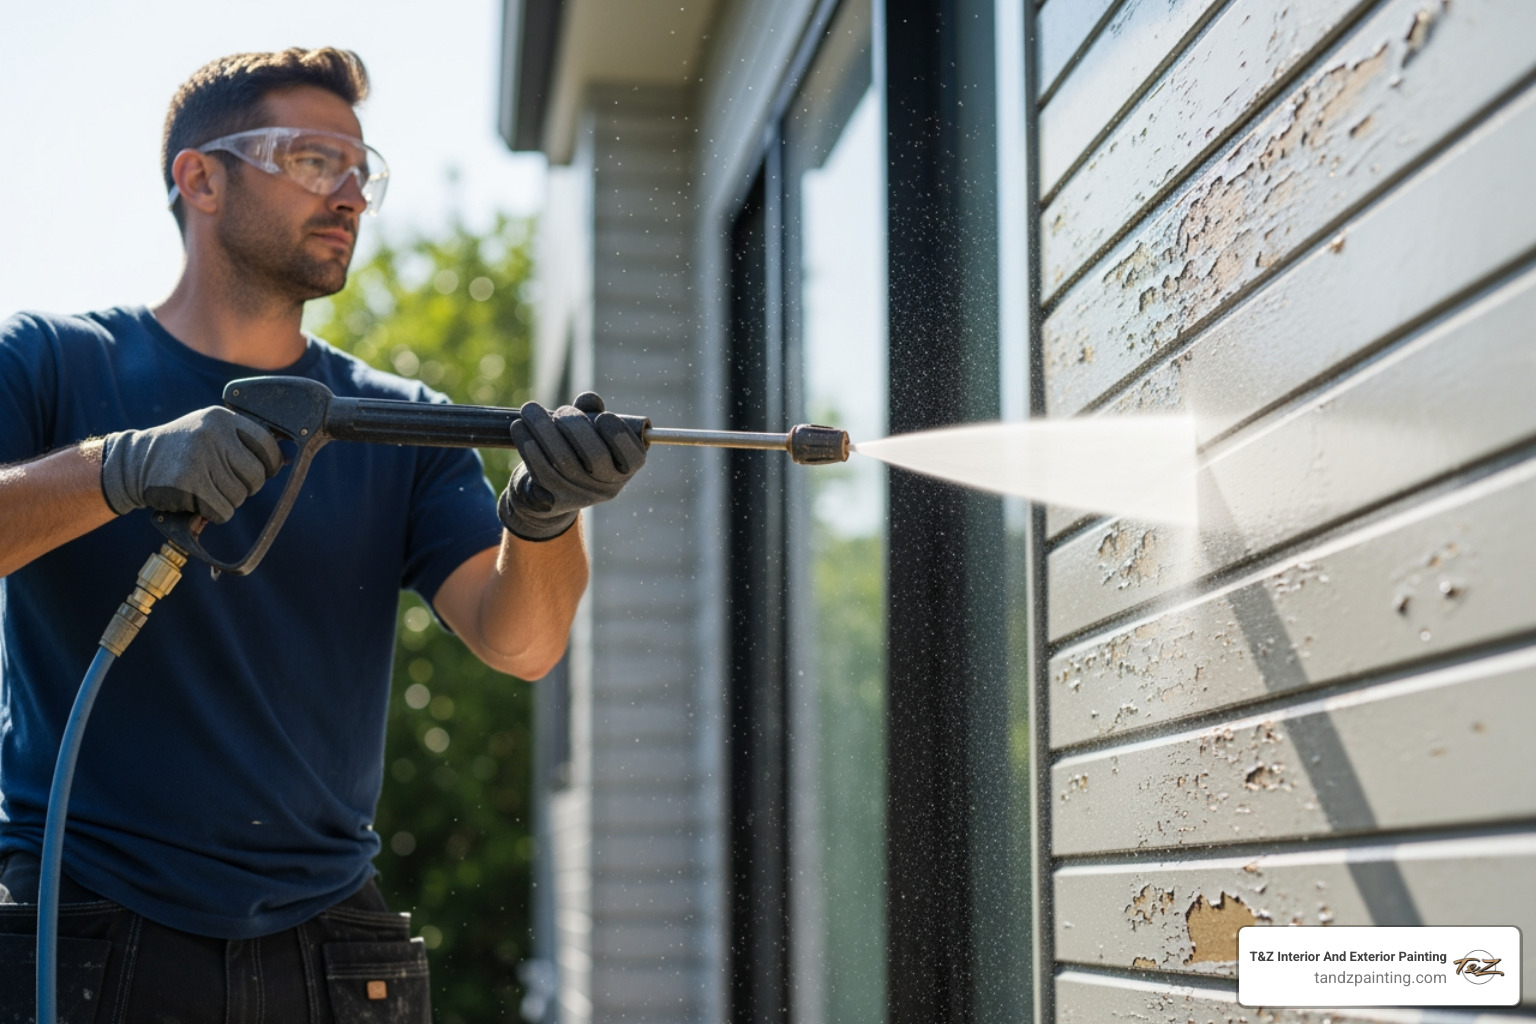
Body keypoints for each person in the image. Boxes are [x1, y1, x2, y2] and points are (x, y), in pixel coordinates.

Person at [0, 47, 644, 1020]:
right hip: (86, 926)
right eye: (312, 160)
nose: (350, 193)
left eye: (360, 170)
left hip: (334, 949)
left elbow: (524, 639)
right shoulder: (52, 365)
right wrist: (118, 467)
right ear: (199, 177)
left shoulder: (398, 422)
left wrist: (546, 515)